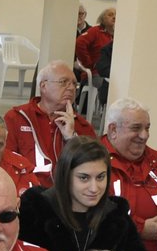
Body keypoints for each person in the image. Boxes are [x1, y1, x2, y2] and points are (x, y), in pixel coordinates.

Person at [20, 136, 150, 251]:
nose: (94, 188)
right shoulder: (36, 210)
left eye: (100, 177)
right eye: (84, 178)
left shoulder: (116, 216)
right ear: (66, 176)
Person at [102, 99, 157, 251]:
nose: (144, 136)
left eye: (147, 128)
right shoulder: (96, 162)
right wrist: (139, 228)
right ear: (113, 130)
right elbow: (94, 217)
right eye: (136, 128)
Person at [8, 60, 97, 188]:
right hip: (26, 192)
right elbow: (7, 161)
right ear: (43, 86)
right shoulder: (17, 117)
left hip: (67, 195)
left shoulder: (82, 126)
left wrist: (71, 138)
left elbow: (93, 167)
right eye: (63, 82)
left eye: (74, 84)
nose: (71, 88)